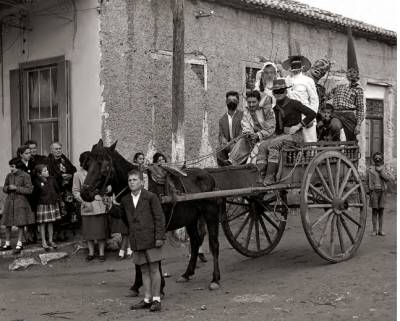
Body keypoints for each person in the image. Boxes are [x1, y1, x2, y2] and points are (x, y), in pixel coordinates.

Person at [119, 168, 166, 312]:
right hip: (136, 239)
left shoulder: (150, 197)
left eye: (135, 180)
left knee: (154, 268)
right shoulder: (125, 200)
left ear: (142, 182)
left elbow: (159, 218)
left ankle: (156, 300)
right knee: (144, 269)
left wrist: (159, 237)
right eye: (130, 180)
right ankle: (147, 299)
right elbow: (125, 219)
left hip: (151, 238)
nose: (132, 183)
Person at [257, 79, 316, 185]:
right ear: (273, 94)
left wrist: (299, 125)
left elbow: (311, 113)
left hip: (296, 137)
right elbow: (278, 129)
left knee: (274, 145)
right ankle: (261, 176)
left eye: (281, 91)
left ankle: (270, 177)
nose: (278, 94)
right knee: (262, 145)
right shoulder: (275, 109)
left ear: (285, 92)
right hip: (282, 137)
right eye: (276, 92)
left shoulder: (294, 104)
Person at [326, 28, 365, 142]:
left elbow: (361, 109)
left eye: (354, 73)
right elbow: (328, 95)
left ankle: (352, 158)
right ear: (347, 73)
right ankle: (336, 148)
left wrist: (358, 125)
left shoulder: (358, 89)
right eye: (350, 72)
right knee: (334, 126)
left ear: (357, 75)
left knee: (351, 140)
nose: (352, 75)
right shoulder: (339, 85)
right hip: (337, 113)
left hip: (349, 115)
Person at [228, 90, 275, 165]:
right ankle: (231, 162)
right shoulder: (246, 112)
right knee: (242, 140)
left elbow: (271, 128)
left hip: (268, 138)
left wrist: (258, 135)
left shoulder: (267, 111)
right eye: (249, 102)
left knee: (258, 146)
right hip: (253, 139)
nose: (251, 104)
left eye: (254, 102)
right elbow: (245, 125)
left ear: (258, 101)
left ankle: (250, 166)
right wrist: (248, 134)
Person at [0, 157, 35, 254]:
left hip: (21, 202)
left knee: (20, 223)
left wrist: (17, 188)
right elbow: (4, 188)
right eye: (10, 167)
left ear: (18, 167)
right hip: (10, 202)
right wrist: (7, 188)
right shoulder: (9, 176)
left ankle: (19, 243)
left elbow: (29, 190)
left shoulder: (25, 176)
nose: (11, 169)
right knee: (8, 223)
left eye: (13, 167)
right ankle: (7, 243)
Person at [283, 53, 319, 142]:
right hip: (291, 117)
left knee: (310, 144)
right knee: (292, 144)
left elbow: (314, 100)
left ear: (302, 66)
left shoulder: (308, 81)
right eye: (293, 64)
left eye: (297, 64)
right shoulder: (286, 80)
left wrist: (311, 118)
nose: (295, 67)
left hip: (305, 115)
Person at [47, 142, 77, 241]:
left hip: (67, 190)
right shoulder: (49, 161)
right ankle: (55, 234)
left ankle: (64, 233)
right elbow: (49, 175)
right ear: (51, 150)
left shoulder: (64, 159)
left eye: (60, 148)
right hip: (55, 190)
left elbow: (73, 169)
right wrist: (61, 176)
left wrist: (69, 174)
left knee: (68, 211)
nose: (59, 150)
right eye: (56, 149)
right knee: (57, 212)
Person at [33, 164, 62, 250]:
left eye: (47, 170)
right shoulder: (36, 182)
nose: (47, 172)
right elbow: (35, 195)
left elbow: (57, 190)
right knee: (42, 224)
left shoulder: (52, 179)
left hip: (52, 203)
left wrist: (58, 199)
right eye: (45, 171)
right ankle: (43, 241)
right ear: (39, 174)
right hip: (42, 204)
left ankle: (50, 240)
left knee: (51, 222)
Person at [367, 152, 392, 236]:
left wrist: (381, 172)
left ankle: (380, 230)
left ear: (382, 159)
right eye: (376, 158)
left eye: (379, 158)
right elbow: (367, 181)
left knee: (381, 211)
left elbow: (388, 179)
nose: (377, 159)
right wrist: (368, 191)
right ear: (374, 159)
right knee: (374, 211)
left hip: (382, 192)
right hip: (374, 192)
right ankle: (374, 230)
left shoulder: (384, 168)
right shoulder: (370, 169)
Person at [217, 91, 244, 166]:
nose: (231, 102)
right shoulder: (222, 120)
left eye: (234, 100)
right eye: (229, 100)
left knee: (233, 147)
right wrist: (222, 140)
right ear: (226, 102)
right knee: (219, 150)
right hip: (227, 144)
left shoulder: (243, 116)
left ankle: (232, 167)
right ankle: (223, 171)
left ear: (238, 102)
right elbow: (221, 135)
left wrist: (233, 142)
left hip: (239, 144)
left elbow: (242, 133)